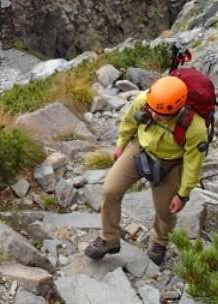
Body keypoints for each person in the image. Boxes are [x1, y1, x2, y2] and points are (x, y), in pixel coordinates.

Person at [85, 76, 208, 266]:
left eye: (161, 114)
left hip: (171, 164)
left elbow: (193, 163)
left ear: (177, 109)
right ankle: (109, 239)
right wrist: (121, 145)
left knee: (165, 211)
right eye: (152, 109)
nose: (154, 114)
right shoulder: (145, 100)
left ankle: (159, 241)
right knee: (110, 191)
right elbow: (129, 122)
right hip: (140, 150)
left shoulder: (195, 128)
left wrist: (183, 195)